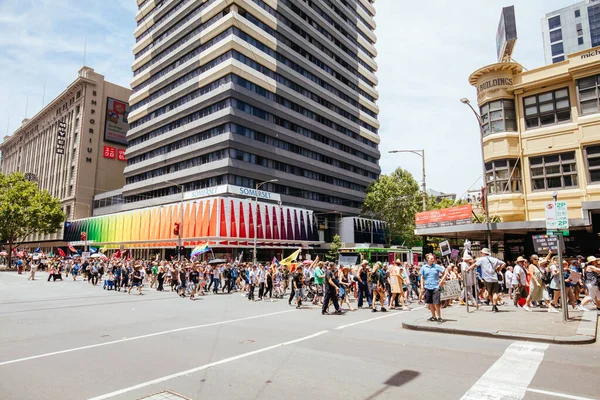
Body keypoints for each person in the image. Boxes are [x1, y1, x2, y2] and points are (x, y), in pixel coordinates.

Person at [470, 248, 505, 312]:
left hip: (487, 278)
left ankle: (493, 305)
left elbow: (474, 265)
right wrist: (499, 269)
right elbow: (504, 263)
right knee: (495, 292)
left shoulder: (481, 259)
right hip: (494, 278)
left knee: (489, 292)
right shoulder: (494, 259)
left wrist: (468, 269)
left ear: (483, 253)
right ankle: (494, 305)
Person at [420, 254, 447, 322]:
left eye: (433, 258)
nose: (433, 259)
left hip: (436, 287)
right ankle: (433, 316)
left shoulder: (436, 266)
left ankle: (439, 317)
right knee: (430, 302)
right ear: (427, 259)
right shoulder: (424, 267)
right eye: (431, 258)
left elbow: (445, 272)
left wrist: (441, 280)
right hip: (427, 287)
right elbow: (422, 277)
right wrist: (422, 286)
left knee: (436, 302)